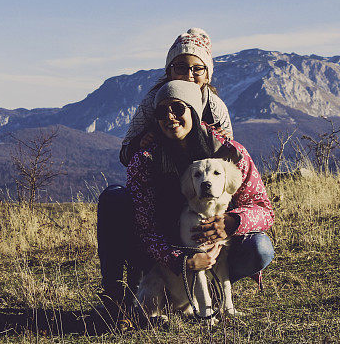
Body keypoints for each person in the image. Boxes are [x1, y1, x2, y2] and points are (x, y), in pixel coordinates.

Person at [98, 81, 273, 326]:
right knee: (113, 197)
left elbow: (264, 210)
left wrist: (233, 221)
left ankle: (215, 297)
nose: (170, 116)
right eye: (161, 112)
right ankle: (118, 299)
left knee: (261, 247)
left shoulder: (230, 152)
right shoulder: (146, 159)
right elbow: (145, 228)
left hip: (224, 243)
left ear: (193, 110)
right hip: (168, 253)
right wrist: (181, 260)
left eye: (178, 108)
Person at [119, 28, 233, 167]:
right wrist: (139, 143)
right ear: (169, 71)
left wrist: (225, 141)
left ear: (207, 75)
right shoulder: (152, 102)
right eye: (181, 67)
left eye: (197, 69)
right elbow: (125, 155)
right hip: (160, 177)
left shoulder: (215, 107)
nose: (189, 75)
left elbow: (230, 159)